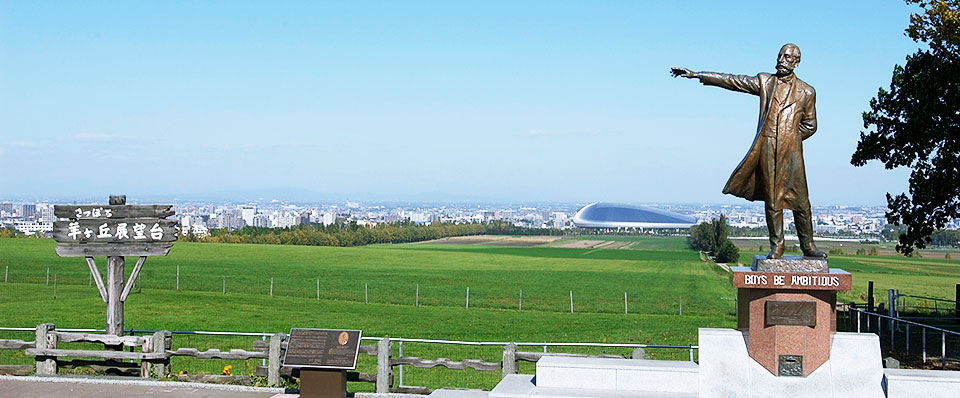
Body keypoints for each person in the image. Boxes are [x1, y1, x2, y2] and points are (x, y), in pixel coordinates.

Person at [671, 43, 826, 259]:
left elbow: (811, 125)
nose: (781, 59)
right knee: (773, 200)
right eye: (780, 55)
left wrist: (790, 138)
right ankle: (777, 245)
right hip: (767, 148)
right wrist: (697, 75)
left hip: (791, 154)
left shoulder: (807, 92)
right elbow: (734, 81)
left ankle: (808, 246)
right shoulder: (766, 82)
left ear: (796, 62)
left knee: (801, 201)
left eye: (787, 57)